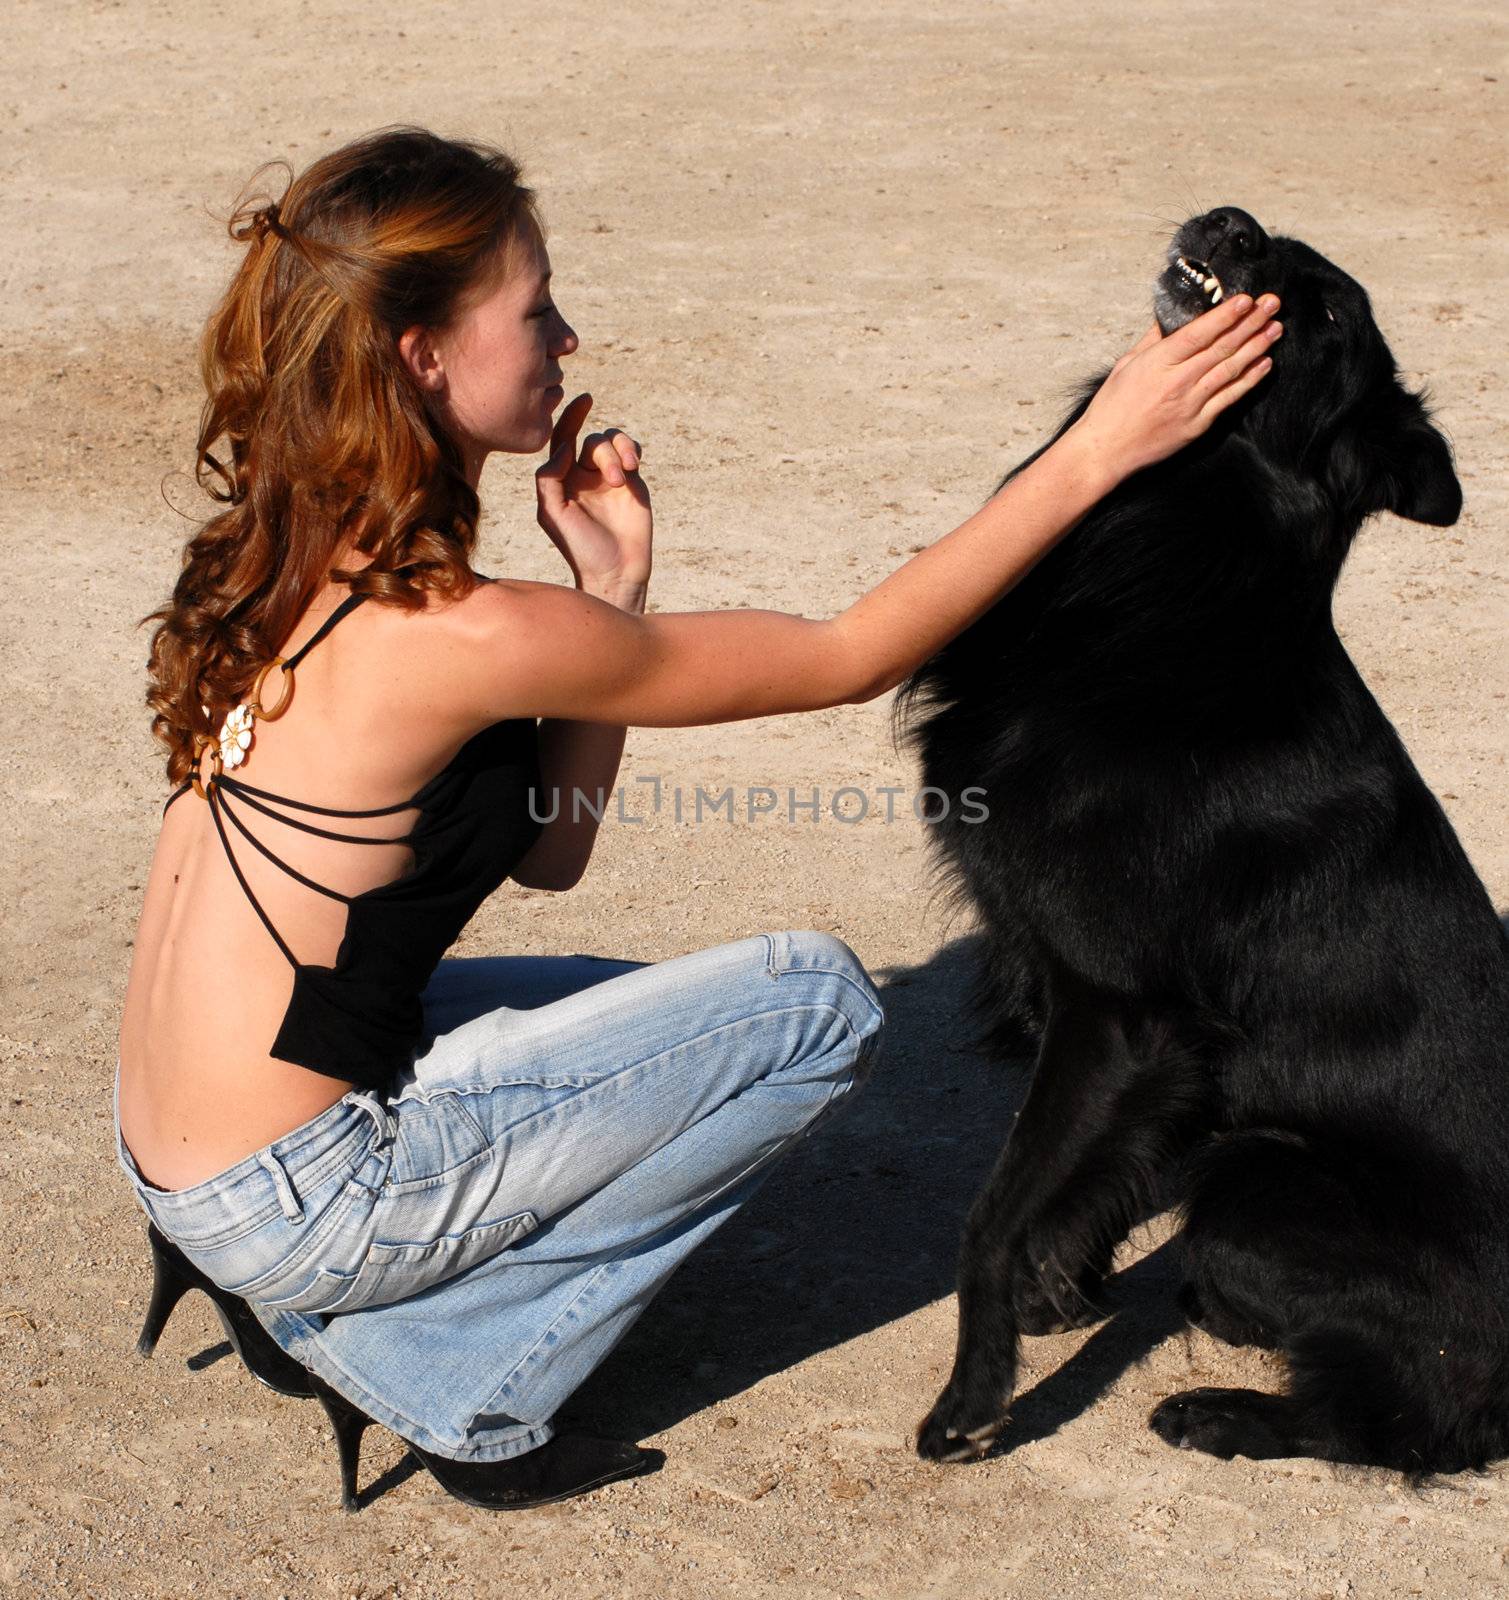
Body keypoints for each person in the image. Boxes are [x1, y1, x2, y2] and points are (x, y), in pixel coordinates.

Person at [113, 125, 1281, 1513]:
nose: (564, 332)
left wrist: (612, 591)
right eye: (532, 304)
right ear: (423, 355)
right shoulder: (455, 631)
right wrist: (1101, 449)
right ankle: (447, 1376)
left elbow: (549, 852)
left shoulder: (290, 542)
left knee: (657, 1024)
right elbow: (849, 653)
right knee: (810, 1008)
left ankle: (307, 1286)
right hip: (301, 1192)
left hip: (186, 1151)